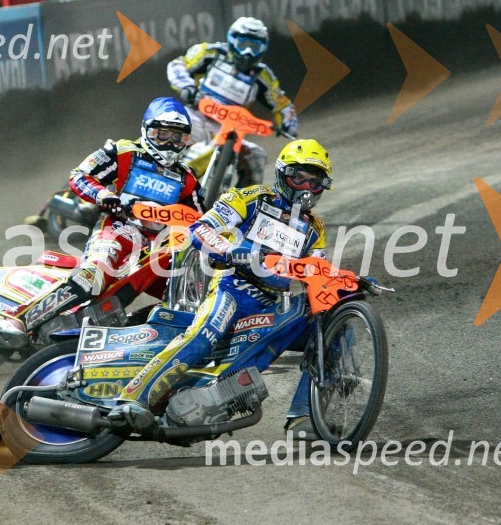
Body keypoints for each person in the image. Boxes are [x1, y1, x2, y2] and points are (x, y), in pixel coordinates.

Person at [108, 138, 333, 439]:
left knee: (329, 331)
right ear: (282, 174)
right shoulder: (251, 197)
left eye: (314, 182)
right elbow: (201, 228)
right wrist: (228, 250)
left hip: (270, 303)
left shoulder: (315, 228)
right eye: (299, 177)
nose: (305, 187)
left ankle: (303, 417)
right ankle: (133, 400)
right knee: (203, 336)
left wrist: (343, 282)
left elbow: (317, 271)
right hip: (230, 286)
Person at [0, 97, 204, 345]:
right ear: (147, 130)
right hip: (118, 230)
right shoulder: (123, 152)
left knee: (189, 296)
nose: (169, 143)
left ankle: (134, 340)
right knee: (93, 278)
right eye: (162, 134)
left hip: (158, 246)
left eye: (177, 138)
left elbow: (201, 219)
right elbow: (79, 176)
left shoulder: (187, 178)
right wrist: (104, 195)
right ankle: (18, 320)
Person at [167, 16, 298, 187]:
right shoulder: (210, 53)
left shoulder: (263, 76)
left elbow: (282, 103)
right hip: (194, 117)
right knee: (162, 133)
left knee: (256, 155)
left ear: (263, 49)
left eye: (254, 47)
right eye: (243, 45)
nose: (248, 53)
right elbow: (177, 65)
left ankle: (241, 205)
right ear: (232, 41)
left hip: (228, 130)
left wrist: (289, 123)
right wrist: (187, 87)